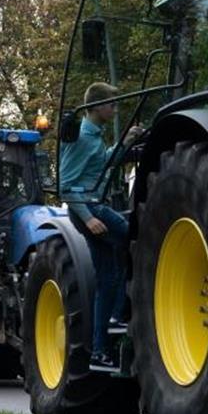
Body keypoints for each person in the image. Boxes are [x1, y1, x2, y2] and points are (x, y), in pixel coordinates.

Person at [59, 82, 142, 367]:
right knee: (136, 239)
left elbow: (102, 164)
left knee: (106, 277)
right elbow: (66, 185)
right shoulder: (82, 136)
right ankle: (121, 312)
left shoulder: (94, 137)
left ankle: (98, 350)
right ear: (95, 107)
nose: (115, 109)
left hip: (94, 207)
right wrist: (88, 218)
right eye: (111, 104)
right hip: (91, 209)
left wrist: (126, 142)